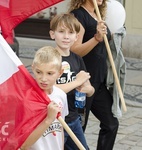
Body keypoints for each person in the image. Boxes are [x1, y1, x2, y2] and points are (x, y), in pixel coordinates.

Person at [68, 0, 119, 149]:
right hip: (83, 83)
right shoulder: (78, 16)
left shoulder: (98, 16)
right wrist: (96, 38)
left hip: (99, 82)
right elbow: (74, 50)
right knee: (78, 128)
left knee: (111, 124)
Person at [49, 13, 95, 150]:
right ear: (52, 34)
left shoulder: (77, 59)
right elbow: (49, 90)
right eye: (61, 32)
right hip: (55, 121)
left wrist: (88, 90)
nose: (66, 36)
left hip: (73, 118)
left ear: (76, 37)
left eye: (71, 32)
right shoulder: (49, 58)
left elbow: (90, 89)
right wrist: (76, 82)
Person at [20, 46, 68, 150]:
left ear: (60, 72)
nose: (43, 78)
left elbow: (61, 128)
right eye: (39, 72)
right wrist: (48, 119)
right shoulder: (27, 99)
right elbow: (24, 145)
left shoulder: (61, 95)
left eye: (50, 73)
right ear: (33, 68)